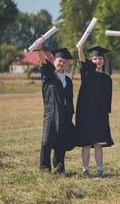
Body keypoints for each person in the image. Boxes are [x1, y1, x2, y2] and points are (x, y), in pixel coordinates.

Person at [35, 44, 76, 173]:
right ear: (54, 61)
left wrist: (70, 115)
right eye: (59, 61)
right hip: (51, 113)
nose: (62, 63)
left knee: (61, 143)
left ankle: (59, 170)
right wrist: (38, 49)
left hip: (65, 115)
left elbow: (69, 99)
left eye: (64, 62)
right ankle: (44, 169)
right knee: (47, 141)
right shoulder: (48, 76)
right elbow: (42, 60)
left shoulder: (68, 80)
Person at [75, 45, 113, 178]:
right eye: (95, 58)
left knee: (98, 144)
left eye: (100, 58)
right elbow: (83, 63)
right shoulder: (88, 73)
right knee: (86, 144)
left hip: (100, 115)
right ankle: (85, 170)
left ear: (104, 60)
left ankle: (100, 170)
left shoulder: (107, 78)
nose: (97, 61)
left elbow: (108, 98)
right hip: (85, 114)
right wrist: (80, 50)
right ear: (92, 60)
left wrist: (106, 113)